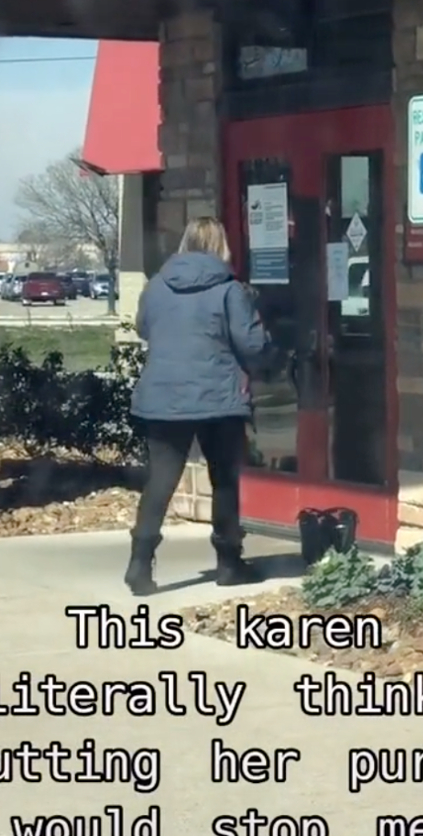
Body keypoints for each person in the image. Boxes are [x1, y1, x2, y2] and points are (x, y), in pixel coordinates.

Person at [126, 216, 273, 597]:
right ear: (221, 246)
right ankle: (228, 562)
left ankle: (139, 564)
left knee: (160, 480)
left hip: (162, 397)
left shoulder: (157, 286)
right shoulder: (230, 290)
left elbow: (144, 328)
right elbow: (252, 345)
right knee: (223, 480)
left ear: (185, 242)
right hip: (217, 398)